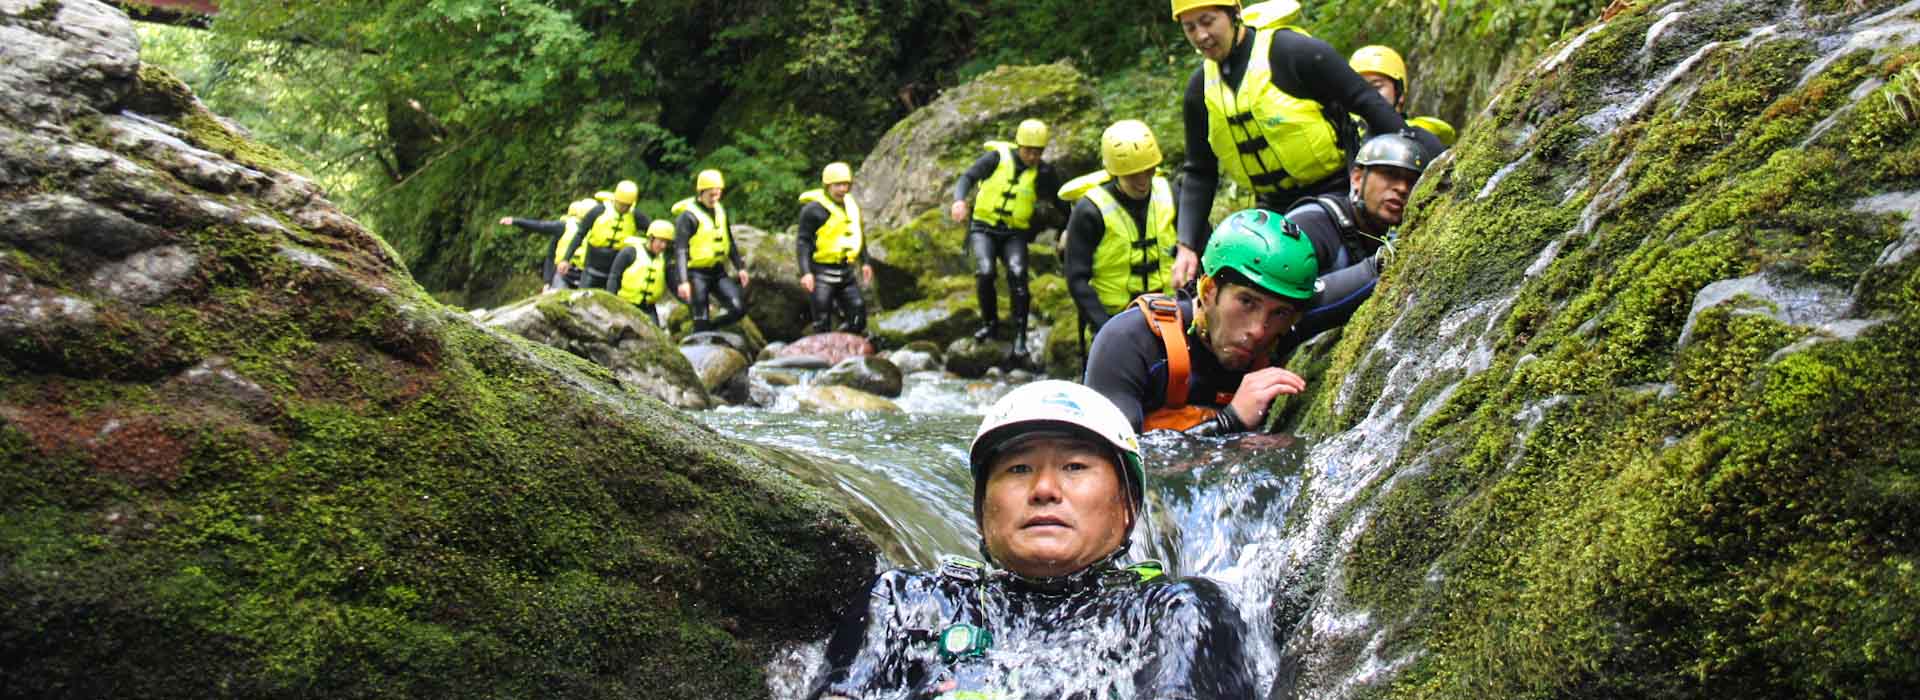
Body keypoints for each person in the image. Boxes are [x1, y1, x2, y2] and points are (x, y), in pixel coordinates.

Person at [813, 380, 1257, 700]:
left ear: (1127, 508)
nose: (1045, 489)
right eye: (1019, 469)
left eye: (1075, 467)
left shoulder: (1176, 610)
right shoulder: (905, 602)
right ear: (983, 512)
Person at [1167, 0, 1437, 290]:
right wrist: (1187, 245)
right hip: (1272, 211)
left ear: (1234, 14)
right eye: (1190, 27)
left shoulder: (1293, 53)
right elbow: (1200, 172)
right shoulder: (1199, 91)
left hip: (1339, 195)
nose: (1201, 35)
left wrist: (1432, 168)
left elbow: (1368, 104)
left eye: (1207, 21)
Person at [1083, 208, 1316, 434]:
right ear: (1208, 290)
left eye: (1279, 313)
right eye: (1247, 302)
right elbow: (1108, 459)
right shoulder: (1128, 342)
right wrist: (1229, 422)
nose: (1258, 331)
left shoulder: (1283, 332)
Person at [1274, 133, 1428, 356]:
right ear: (1357, 177)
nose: (1402, 188)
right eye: (1390, 175)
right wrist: (1378, 264)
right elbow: (1276, 307)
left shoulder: (1383, 231)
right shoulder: (1312, 224)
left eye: (1412, 181)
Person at [948, 118, 1066, 359]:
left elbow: (1061, 202)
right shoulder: (995, 159)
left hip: (1014, 233)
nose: (1032, 157)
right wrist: (959, 200)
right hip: (983, 228)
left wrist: (1070, 227)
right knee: (985, 271)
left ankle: (1021, 336)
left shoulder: (1044, 172)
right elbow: (967, 178)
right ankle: (990, 324)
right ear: (1019, 145)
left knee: (1017, 275)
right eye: (1028, 151)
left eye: (1038, 152)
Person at [1062, 120, 1178, 340]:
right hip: (1115, 320)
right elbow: (1076, 278)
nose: (1142, 181)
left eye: (1148, 171)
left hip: (1169, 316)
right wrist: (1106, 329)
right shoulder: (1090, 211)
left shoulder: (1171, 194)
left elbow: (1198, 250)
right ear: (1115, 173)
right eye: (1133, 175)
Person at [797, 161, 875, 335]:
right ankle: (821, 355)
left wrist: (866, 262)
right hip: (821, 273)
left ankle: (845, 343)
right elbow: (803, 242)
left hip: (845, 272)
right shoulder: (812, 210)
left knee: (858, 313)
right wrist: (806, 272)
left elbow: (858, 234)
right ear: (827, 186)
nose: (842, 189)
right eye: (837, 185)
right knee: (822, 319)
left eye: (846, 184)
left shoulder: (851, 206)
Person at [672, 169, 751, 332]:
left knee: (739, 308)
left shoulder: (720, 210)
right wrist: (683, 281)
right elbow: (680, 251)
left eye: (718, 194)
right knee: (701, 317)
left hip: (717, 272)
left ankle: (714, 328)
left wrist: (740, 267)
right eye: (711, 195)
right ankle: (702, 336)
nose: (715, 198)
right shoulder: (687, 217)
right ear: (701, 192)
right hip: (696, 273)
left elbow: (730, 242)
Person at [1349, 45, 1458, 149]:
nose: (1365, 96)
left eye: (1376, 86)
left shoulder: (1423, 138)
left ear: (1399, 91)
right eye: (1360, 89)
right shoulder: (1347, 141)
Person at [562, 181, 651, 290]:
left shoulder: (635, 216)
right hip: (592, 266)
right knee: (583, 298)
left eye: (627, 206)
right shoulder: (598, 211)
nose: (624, 208)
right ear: (615, 199)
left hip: (615, 271)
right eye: (621, 204)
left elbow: (652, 232)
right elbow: (580, 234)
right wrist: (566, 259)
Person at [499, 196, 594, 290]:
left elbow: (541, 227)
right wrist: (516, 221)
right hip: (567, 274)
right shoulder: (563, 226)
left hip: (582, 274)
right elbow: (541, 227)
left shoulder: (593, 229)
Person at [605, 219, 678, 326]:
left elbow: (674, 286)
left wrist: (692, 302)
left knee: (656, 338)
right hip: (625, 303)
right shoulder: (630, 252)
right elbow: (614, 277)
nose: (663, 246)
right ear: (651, 238)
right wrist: (612, 304)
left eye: (666, 243)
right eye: (661, 241)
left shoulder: (664, 260)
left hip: (647, 308)